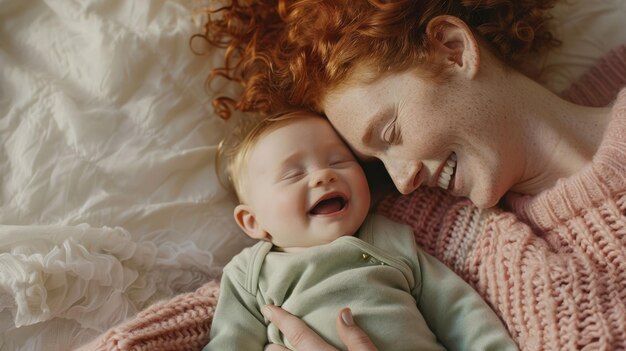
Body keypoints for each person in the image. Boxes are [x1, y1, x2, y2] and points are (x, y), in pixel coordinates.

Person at [194, 1, 626, 350]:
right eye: (377, 163)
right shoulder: (421, 227)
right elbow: (237, 297)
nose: (402, 180)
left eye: (390, 133)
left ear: (454, 49)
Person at [204, 110, 517, 350]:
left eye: (339, 161)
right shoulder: (251, 275)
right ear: (253, 222)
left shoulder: (388, 238)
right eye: (293, 174)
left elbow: (458, 310)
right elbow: (229, 341)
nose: (323, 176)